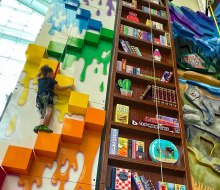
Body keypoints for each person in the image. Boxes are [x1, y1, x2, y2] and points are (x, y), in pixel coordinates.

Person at [34, 65, 73, 133]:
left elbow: (36, 76)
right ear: (49, 74)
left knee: (44, 112)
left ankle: (41, 125)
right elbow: (59, 88)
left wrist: (41, 71)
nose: (53, 75)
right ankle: (43, 126)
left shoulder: (40, 80)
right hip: (47, 96)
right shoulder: (51, 80)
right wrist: (69, 86)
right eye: (52, 74)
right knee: (49, 112)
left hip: (39, 98)